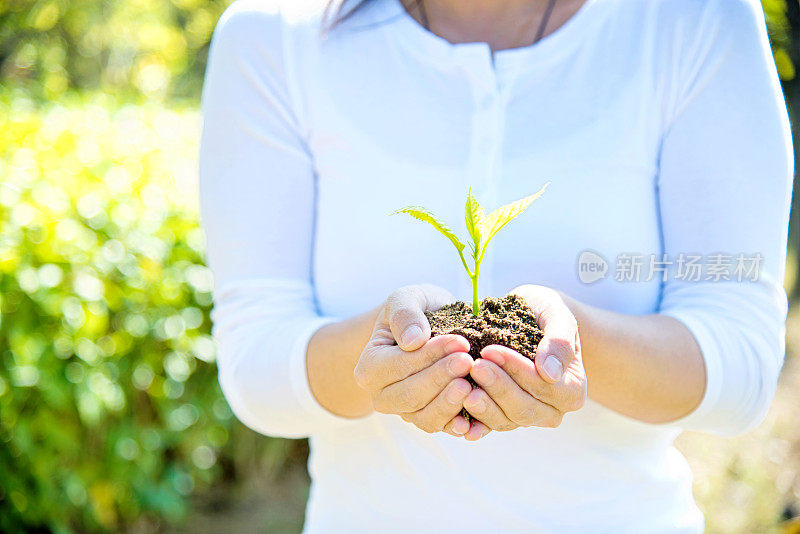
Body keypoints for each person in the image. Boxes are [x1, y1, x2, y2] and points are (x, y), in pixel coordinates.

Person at [198, 0, 793, 531]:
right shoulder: (275, 36)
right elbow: (257, 365)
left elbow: (739, 363)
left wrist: (569, 342)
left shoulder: (694, 19)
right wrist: (389, 351)